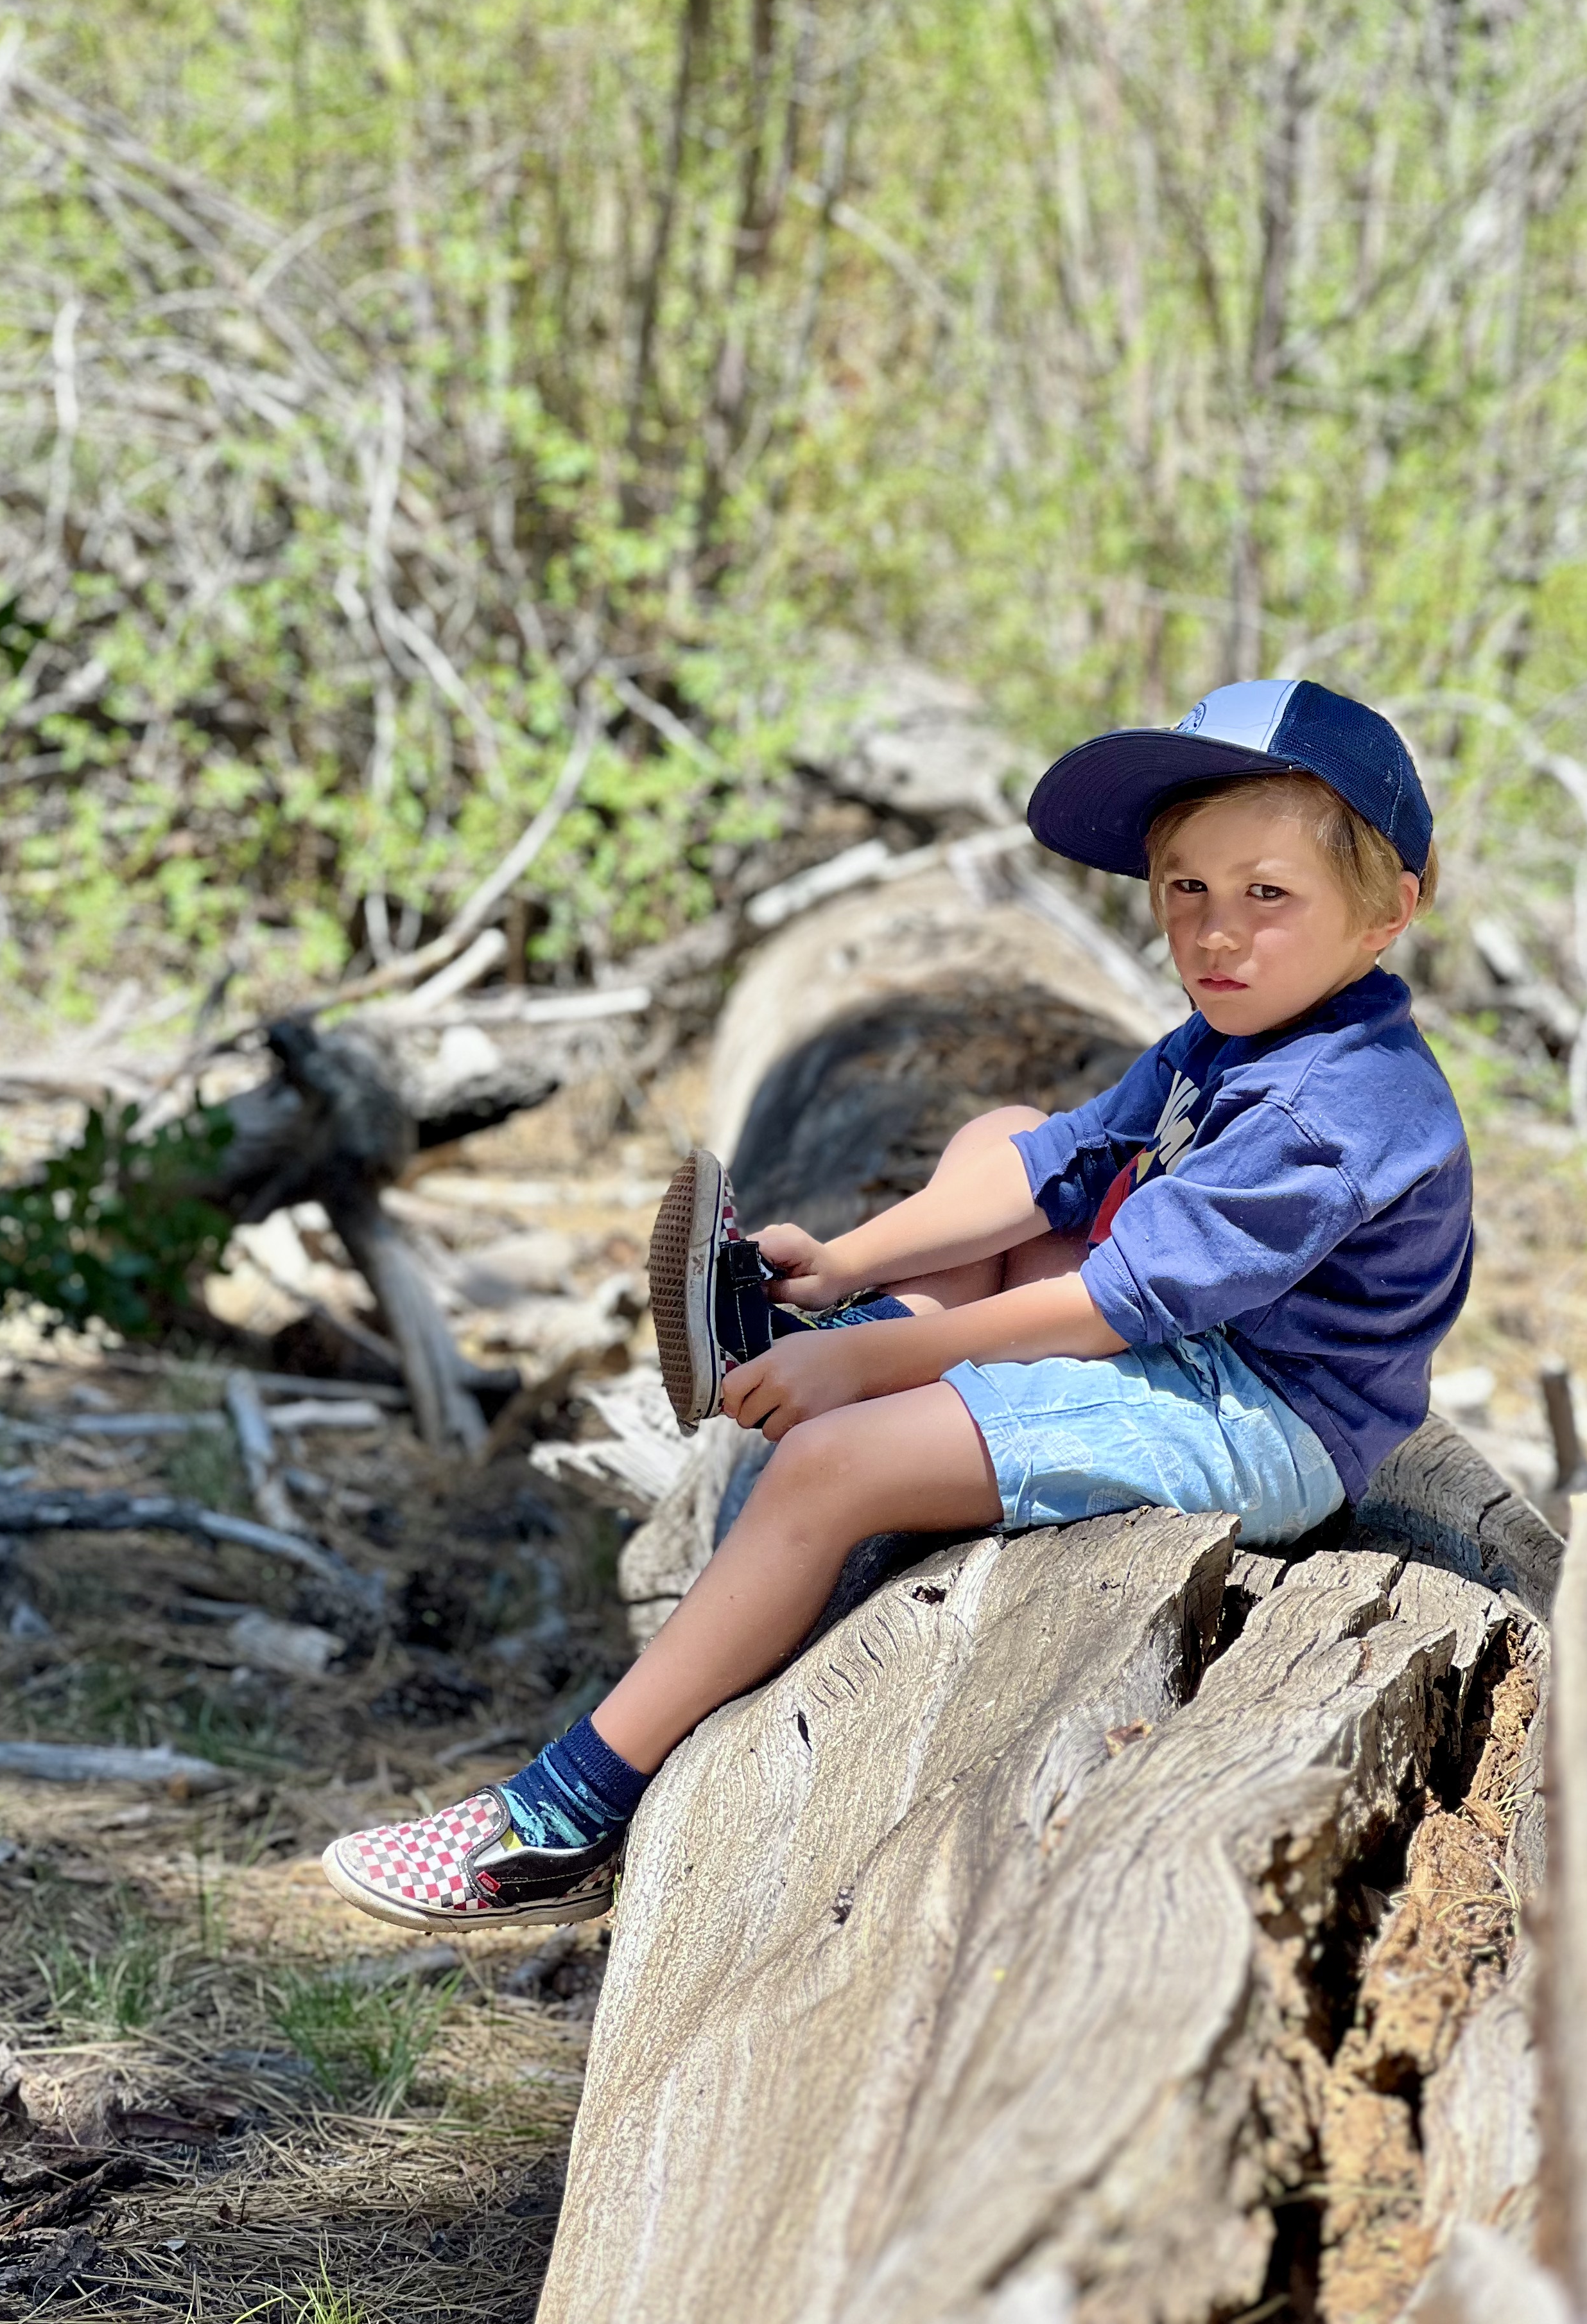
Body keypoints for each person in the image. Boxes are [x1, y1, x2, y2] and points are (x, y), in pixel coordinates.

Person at [320, 678, 1473, 1932]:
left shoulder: (1332, 1110)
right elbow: (1064, 1162)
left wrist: (872, 1382)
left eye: (1267, 895)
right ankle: (813, 1327)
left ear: (1387, 913)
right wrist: (850, 1258)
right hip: (1198, 1332)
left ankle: (566, 1821)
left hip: (1264, 1416)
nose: (1213, 933)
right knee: (1004, 1130)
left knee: (832, 1464)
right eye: (1183, 888)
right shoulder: (1234, 1033)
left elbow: (1118, 1305)